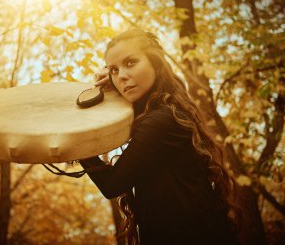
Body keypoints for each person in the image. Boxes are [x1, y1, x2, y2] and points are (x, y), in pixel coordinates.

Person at [79, 29, 240, 245]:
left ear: (155, 63)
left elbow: (111, 185)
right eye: (114, 70)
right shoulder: (165, 113)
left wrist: (75, 143)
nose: (122, 76)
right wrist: (111, 91)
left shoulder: (162, 121)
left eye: (131, 62)